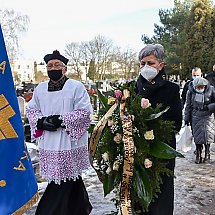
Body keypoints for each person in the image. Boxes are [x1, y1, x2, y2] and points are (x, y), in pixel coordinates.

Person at [26, 50, 93, 215]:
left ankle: (47, 211)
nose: (53, 68)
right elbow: (31, 109)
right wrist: (41, 121)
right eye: (50, 66)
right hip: (49, 141)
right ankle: (81, 207)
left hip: (69, 140)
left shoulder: (75, 87)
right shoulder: (40, 89)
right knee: (68, 179)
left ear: (65, 68)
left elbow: (84, 112)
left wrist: (60, 120)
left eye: (57, 65)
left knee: (64, 179)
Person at [134, 44, 182, 215]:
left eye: (150, 63)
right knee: (138, 196)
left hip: (162, 151)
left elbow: (176, 122)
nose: (146, 67)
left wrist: (153, 125)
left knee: (161, 197)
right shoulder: (133, 89)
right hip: (137, 151)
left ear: (161, 65)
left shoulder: (171, 89)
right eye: (142, 63)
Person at [184, 77, 215, 164]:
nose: (200, 89)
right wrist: (186, 118)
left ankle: (207, 153)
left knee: (208, 135)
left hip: (208, 116)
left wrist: (210, 107)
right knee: (197, 137)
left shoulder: (211, 90)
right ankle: (198, 154)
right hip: (196, 115)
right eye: (198, 87)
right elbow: (188, 105)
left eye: (202, 87)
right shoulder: (190, 92)